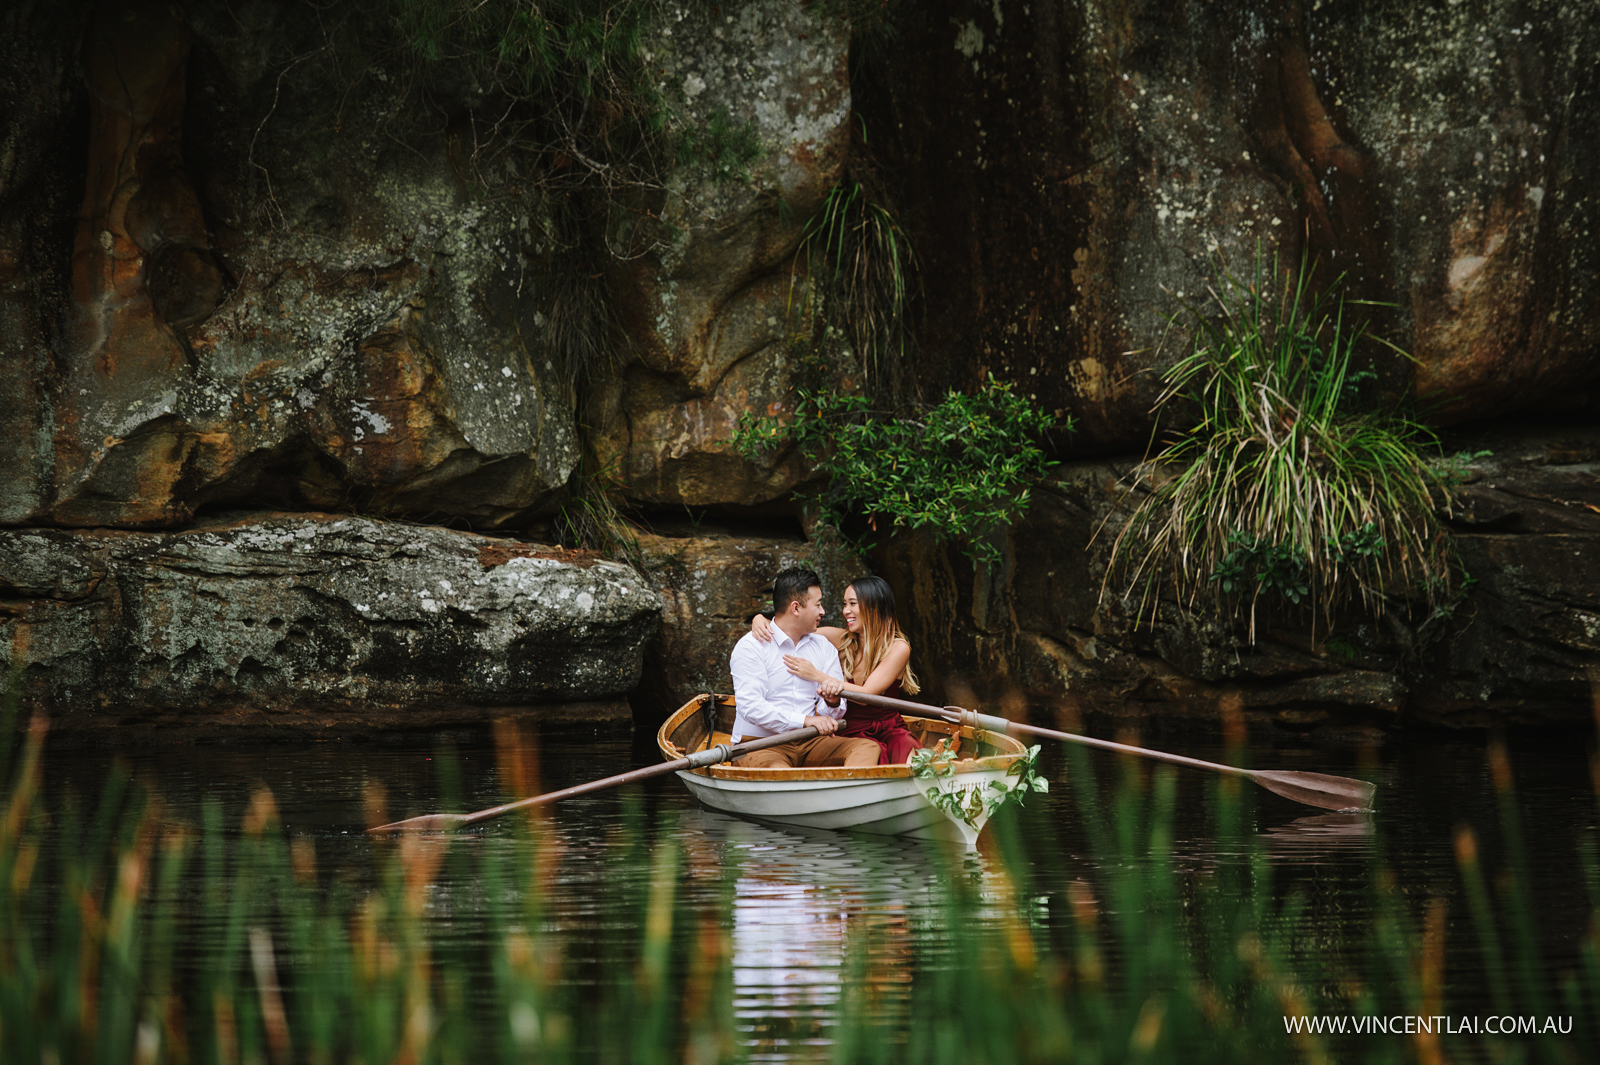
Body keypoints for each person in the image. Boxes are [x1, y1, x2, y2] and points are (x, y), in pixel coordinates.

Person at [751, 575, 921, 765]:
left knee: (911, 761)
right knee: (865, 752)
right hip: (848, 727)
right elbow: (791, 626)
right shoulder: (841, 639)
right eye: (845, 604)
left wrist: (816, 675)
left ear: (874, 606)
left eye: (852, 604)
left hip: (888, 728)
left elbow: (868, 694)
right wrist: (760, 619)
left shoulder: (898, 647)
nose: (845, 611)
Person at [728, 567, 880, 769]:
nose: (823, 611)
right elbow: (751, 708)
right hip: (758, 745)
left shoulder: (824, 647)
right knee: (779, 773)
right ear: (796, 608)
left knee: (868, 748)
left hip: (810, 742)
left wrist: (832, 701)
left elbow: (834, 715)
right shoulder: (751, 646)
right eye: (818, 604)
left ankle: (847, 797)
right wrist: (805, 721)